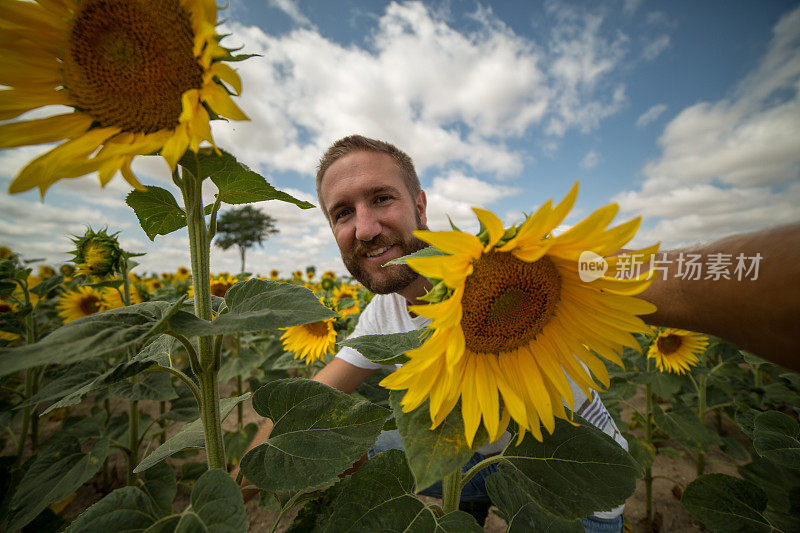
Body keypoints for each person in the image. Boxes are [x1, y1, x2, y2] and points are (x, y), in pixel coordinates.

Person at [239, 134, 800, 530]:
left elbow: (673, 284)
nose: (364, 226)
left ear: (420, 204)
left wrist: (686, 277)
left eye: (381, 198)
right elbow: (315, 397)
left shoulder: (521, 263)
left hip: (574, 476)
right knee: (363, 445)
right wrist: (254, 461)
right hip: (483, 460)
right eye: (342, 212)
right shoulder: (383, 317)